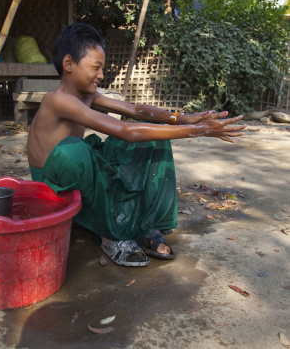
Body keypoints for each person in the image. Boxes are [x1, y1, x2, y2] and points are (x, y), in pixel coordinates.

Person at [27, 23, 245, 267]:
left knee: (150, 136)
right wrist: (198, 130)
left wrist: (181, 118)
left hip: (79, 176)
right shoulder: (56, 100)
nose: (101, 75)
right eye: (95, 68)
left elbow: (136, 110)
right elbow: (125, 131)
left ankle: (143, 223)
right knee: (73, 151)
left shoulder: (87, 95)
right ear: (69, 64)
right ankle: (109, 235)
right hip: (52, 187)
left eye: (102, 68)